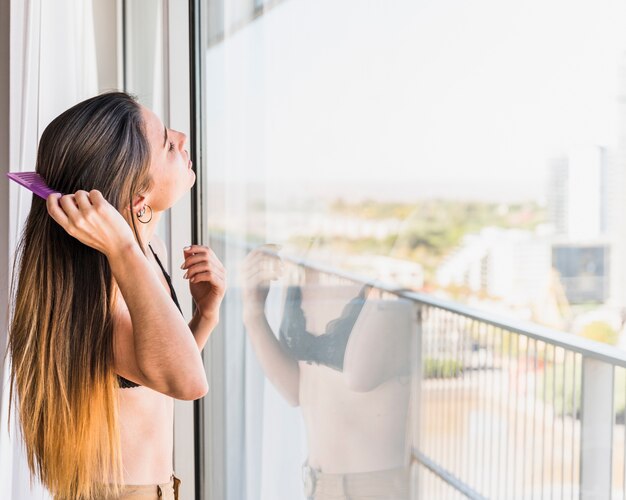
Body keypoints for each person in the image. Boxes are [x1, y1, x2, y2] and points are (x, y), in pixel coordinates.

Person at [6, 92, 226, 500]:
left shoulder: (149, 253)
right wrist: (124, 249)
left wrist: (205, 315)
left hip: (158, 488)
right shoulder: (105, 289)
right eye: (166, 143)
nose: (181, 138)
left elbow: (154, 374)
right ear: (137, 198)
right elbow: (188, 382)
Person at [241, 246, 413, 500]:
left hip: (377, 487)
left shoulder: (392, 269)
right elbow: (295, 391)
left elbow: (359, 376)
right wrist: (253, 311)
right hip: (317, 484)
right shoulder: (308, 261)